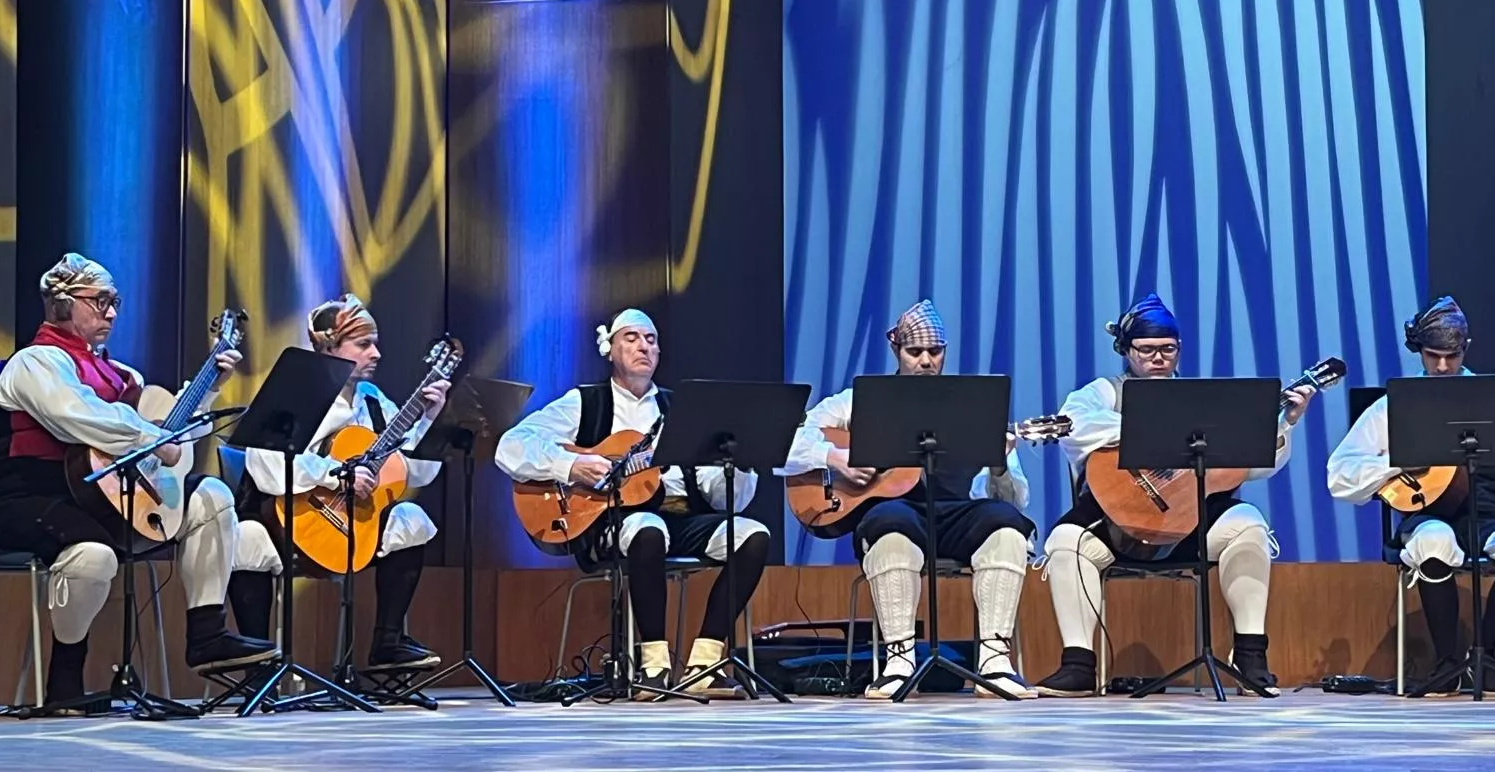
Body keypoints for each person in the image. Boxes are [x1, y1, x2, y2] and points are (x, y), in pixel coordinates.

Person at [0, 253, 276, 706]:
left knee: (212, 496)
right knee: (91, 556)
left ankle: (206, 631)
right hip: (32, 497)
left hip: (106, 501)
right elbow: (77, 417)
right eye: (99, 301)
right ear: (62, 303)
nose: (112, 313)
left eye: (114, 301)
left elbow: (171, 435)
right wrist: (153, 435)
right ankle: (65, 679)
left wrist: (209, 388)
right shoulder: (34, 362)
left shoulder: (125, 376)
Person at [1036, 293, 1313, 698]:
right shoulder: (1104, 392)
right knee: (1065, 540)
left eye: (1167, 349)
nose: (1158, 358)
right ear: (1125, 351)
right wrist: (1154, 427)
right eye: (1146, 350)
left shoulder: (1203, 400)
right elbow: (1074, 426)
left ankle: (1251, 657)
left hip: (1192, 526)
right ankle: (1078, 665)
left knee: (1249, 524)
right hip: (1118, 526)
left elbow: (1255, 464)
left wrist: (1285, 422)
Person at [496, 308, 769, 699]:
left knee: (752, 535)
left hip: (681, 516)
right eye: (632, 338)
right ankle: (653, 666)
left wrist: (738, 466)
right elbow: (511, 447)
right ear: (610, 349)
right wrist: (572, 465)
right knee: (647, 528)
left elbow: (723, 500)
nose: (644, 346)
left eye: (651, 340)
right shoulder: (584, 403)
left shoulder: (683, 411)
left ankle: (705, 663)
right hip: (613, 522)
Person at [782, 300, 1037, 699]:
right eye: (914, 352)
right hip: (897, 514)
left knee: (1006, 522)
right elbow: (788, 442)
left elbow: (1015, 498)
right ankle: (899, 660)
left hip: (955, 517)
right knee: (889, 521)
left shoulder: (975, 406)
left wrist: (1000, 463)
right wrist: (836, 458)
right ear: (896, 351)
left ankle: (995, 660)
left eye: (934, 353)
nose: (925, 361)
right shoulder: (858, 401)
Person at [227, 295, 449, 670]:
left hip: (351, 528)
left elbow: (412, 472)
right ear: (329, 346)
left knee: (412, 518)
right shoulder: (297, 391)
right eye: (364, 344)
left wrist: (428, 420)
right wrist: (336, 475)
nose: (376, 353)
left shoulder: (373, 401)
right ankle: (256, 663)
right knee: (246, 537)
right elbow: (265, 465)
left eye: (375, 343)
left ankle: (388, 645)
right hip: (287, 522)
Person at [1328, 296, 1495, 695]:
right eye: (1433, 355)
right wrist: (1398, 462)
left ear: (1465, 350)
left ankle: (1487, 661)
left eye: (1451, 357)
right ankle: (1448, 664)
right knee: (1434, 541)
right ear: (1418, 351)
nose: (1441, 366)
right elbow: (1340, 475)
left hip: (1488, 515)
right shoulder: (1392, 408)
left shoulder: (1487, 398)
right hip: (1428, 516)